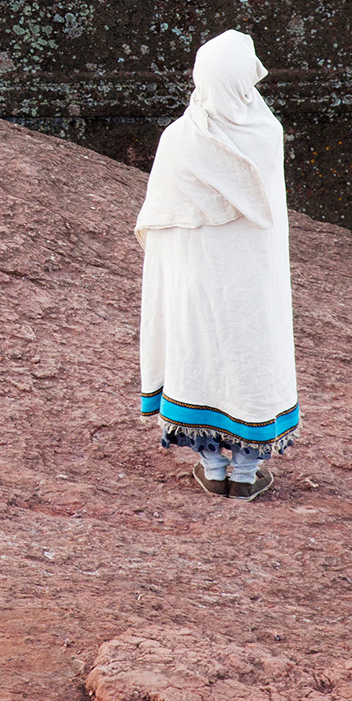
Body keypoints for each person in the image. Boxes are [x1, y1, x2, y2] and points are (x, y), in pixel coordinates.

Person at [136, 29, 300, 498]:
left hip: (196, 282)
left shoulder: (179, 140)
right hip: (250, 284)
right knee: (249, 356)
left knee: (198, 352)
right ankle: (246, 472)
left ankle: (212, 466)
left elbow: (161, 221)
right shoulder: (266, 133)